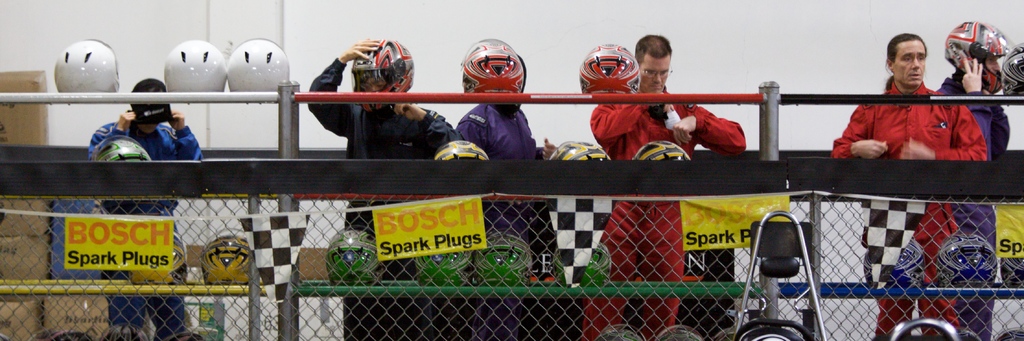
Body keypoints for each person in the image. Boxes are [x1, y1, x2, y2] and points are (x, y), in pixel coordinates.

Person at [585, 36, 746, 341]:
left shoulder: (682, 104)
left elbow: (738, 142)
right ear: (635, 69)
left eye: (664, 73)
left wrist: (696, 122)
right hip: (621, 211)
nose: (658, 80)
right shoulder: (617, 99)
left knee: (664, 308)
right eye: (650, 73)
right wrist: (642, 104)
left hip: (667, 214)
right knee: (604, 305)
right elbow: (602, 131)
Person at [831, 33, 987, 337]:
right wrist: (857, 149)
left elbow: (978, 155)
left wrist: (935, 156)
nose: (916, 65)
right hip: (887, 219)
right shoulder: (871, 108)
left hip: (936, 221)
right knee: (892, 307)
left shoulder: (947, 107)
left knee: (940, 307)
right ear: (890, 64)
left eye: (921, 57)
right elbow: (839, 150)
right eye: (907, 58)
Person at [308, 39, 461, 341]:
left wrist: (422, 118)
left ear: (397, 79)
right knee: (360, 320)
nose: (368, 87)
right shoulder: (354, 115)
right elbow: (317, 101)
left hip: (409, 229)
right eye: (363, 80)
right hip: (363, 228)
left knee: (412, 320)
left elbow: (456, 146)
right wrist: (339, 62)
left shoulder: (418, 117)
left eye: (375, 79)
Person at [454, 39, 557, 341]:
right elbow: (464, 173)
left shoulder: (517, 116)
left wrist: (541, 155)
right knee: (497, 306)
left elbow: (514, 158)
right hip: (492, 226)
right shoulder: (476, 120)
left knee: (506, 308)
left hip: (520, 223)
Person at [87, 78, 202, 341]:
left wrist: (183, 131)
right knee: (125, 322)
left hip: (160, 226)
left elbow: (196, 173)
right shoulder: (108, 132)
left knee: (171, 315)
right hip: (119, 227)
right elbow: (94, 172)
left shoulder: (172, 135)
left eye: (157, 105)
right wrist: (120, 131)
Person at [940, 21, 1011, 341]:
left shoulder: (977, 99)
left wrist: (985, 97)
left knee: (981, 304)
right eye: (994, 60)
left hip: (980, 216)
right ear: (972, 60)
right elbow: (978, 154)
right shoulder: (945, 100)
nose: (999, 68)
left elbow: (997, 144)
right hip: (957, 217)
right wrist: (975, 96)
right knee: (958, 304)